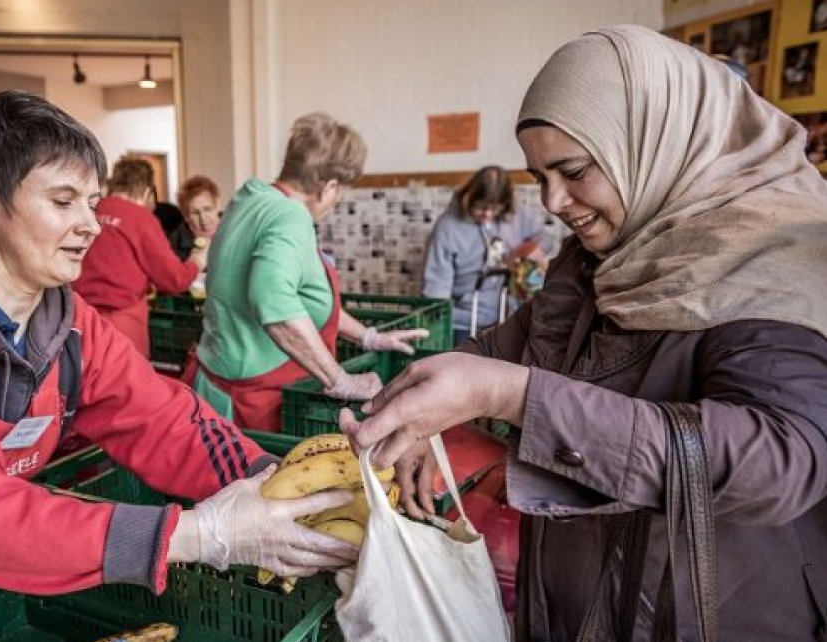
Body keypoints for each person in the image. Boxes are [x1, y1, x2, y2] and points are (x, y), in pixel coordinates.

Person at [343, 25, 827, 641]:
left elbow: (780, 461)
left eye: (572, 170)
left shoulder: (775, 258)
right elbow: (506, 348)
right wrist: (427, 412)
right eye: (538, 176)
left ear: (654, 141)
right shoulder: (606, 261)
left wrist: (510, 396)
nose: (552, 199)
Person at [0, 90, 357, 598]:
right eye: (62, 201)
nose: (91, 225)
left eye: (93, 203)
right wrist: (201, 535)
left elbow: (166, 421)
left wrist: (275, 482)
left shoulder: (69, 323)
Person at [188, 113, 428, 432]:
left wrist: (369, 337)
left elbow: (300, 299)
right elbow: (272, 298)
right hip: (254, 405)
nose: (336, 202)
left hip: (213, 384)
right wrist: (338, 379)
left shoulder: (250, 197)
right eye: (340, 192)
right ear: (328, 187)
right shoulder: (291, 216)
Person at [74, 159, 208, 356]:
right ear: (147, 192)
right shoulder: (140, 218)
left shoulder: (88, 211)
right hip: (121, 325)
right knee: (125, 383)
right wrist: (196, 262)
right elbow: (174, 280)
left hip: (78, 319)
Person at [421, 166, 549, 346]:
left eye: (494, 209)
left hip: (508, 316)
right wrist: (435, 328)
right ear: (468, 198)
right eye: (481, 208)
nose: (488, 215)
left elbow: (542, 239)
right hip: (464, 321)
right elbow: (436, 286)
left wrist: (526, 251)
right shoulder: (446, 227)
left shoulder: (515, 213)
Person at [169, 175, 222, 260]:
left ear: (218, 205)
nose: (203, 219)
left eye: (207, 209)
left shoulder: (237, 230)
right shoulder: (173, 244)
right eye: (195, 213)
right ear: (185, 215)